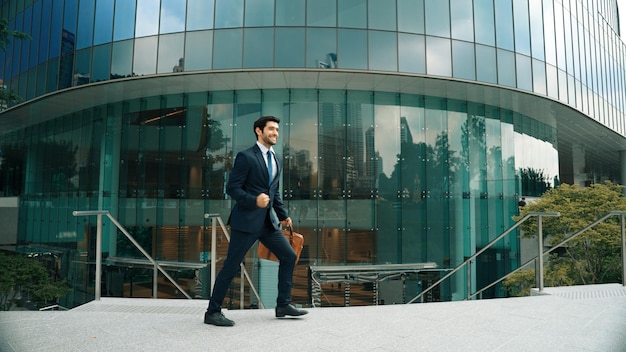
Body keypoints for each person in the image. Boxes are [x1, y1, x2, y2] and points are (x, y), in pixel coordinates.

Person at [204, 115, 308, 327]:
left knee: (289, 256)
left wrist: (283, 215)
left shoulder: (277, 159)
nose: (275, 133)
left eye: (277, 130)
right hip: (246, 222)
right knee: (231, 266)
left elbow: (274, 193)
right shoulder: (246, 157)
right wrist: (254, 200)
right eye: (271, 129)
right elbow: (232, 188)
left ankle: (283, 304)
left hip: (268, 223)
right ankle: (212, 312)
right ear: (258, 131)